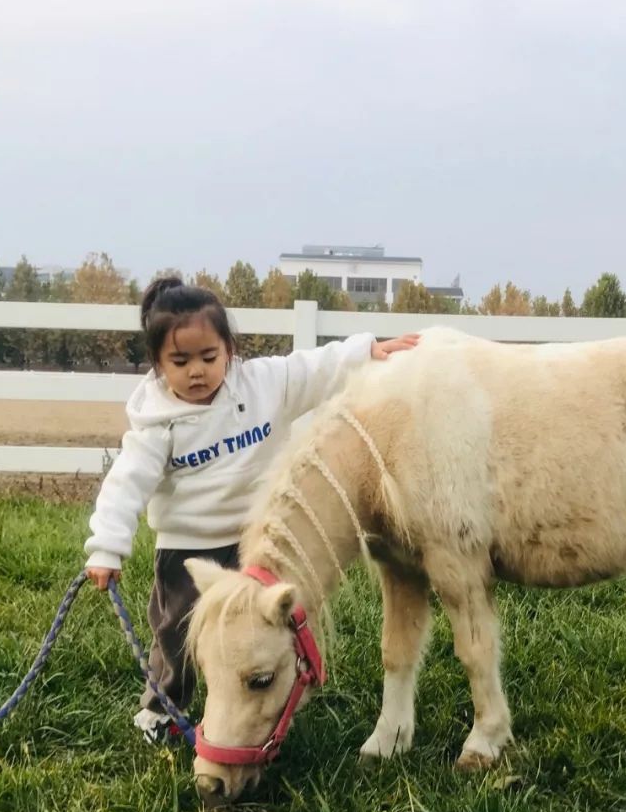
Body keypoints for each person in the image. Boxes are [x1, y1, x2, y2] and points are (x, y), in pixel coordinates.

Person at [84, 277, 419, 743]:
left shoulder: (261, 385)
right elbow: (126, 485)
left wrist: (366, 351)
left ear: (230, 351)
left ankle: (259, 700)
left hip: (251, 546)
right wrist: (106, 547)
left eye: (209, 357)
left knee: (248, 636)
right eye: (179, 362)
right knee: (176, 637)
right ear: (159, 365)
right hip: (188, 554)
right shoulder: (156, 427)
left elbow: (311, 369)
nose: (196, 372)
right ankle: (163, 707)